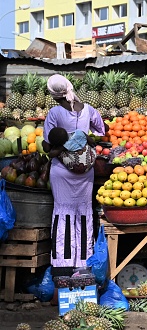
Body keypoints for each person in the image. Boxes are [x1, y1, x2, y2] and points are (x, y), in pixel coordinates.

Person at [42, 74, 108, 276]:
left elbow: (46, 145)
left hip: (62, 171)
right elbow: (102, 130)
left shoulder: (54, 112)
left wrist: (61, 142)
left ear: (54, 95)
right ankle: (83, 261)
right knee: (83, 211)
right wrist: (84, 136)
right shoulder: (88, 109)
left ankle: (62, 264)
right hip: (85, 171)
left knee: (63, 212)